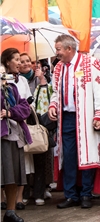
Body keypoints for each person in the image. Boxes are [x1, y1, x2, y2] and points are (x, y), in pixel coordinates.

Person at [47, 34, 100, 209]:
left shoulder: (90, 63)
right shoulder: (58, 68)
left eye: (58, 49)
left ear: (69, 49)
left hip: (86, 117)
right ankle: (71, 195)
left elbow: (99, 90)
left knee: (88, 154)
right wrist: (53, 105)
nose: (56, 52)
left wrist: (99, 115)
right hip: (66, 117)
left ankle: (86, 194)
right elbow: (55, 91)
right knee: (70, 157)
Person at [19, 53, 52, 207]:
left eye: (28, 61)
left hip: (39, 119)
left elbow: (49, 95)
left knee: (40, 154)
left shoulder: (41, 76)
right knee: (24, 159)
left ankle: (40, 190)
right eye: (22, 61)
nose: (26, 64)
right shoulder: (16, 79)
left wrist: (42, 79)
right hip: (21, 120)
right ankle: (25, 191)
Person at [1, 49, 33, 211]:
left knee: (12, 176)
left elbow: (25, 108)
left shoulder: (12, 86)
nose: (20, 63)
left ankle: (11, 211)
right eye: (16, 60)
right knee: (4, 174)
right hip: (3, 135)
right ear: (7, 62)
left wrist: (10, 112)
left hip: (14, 133)